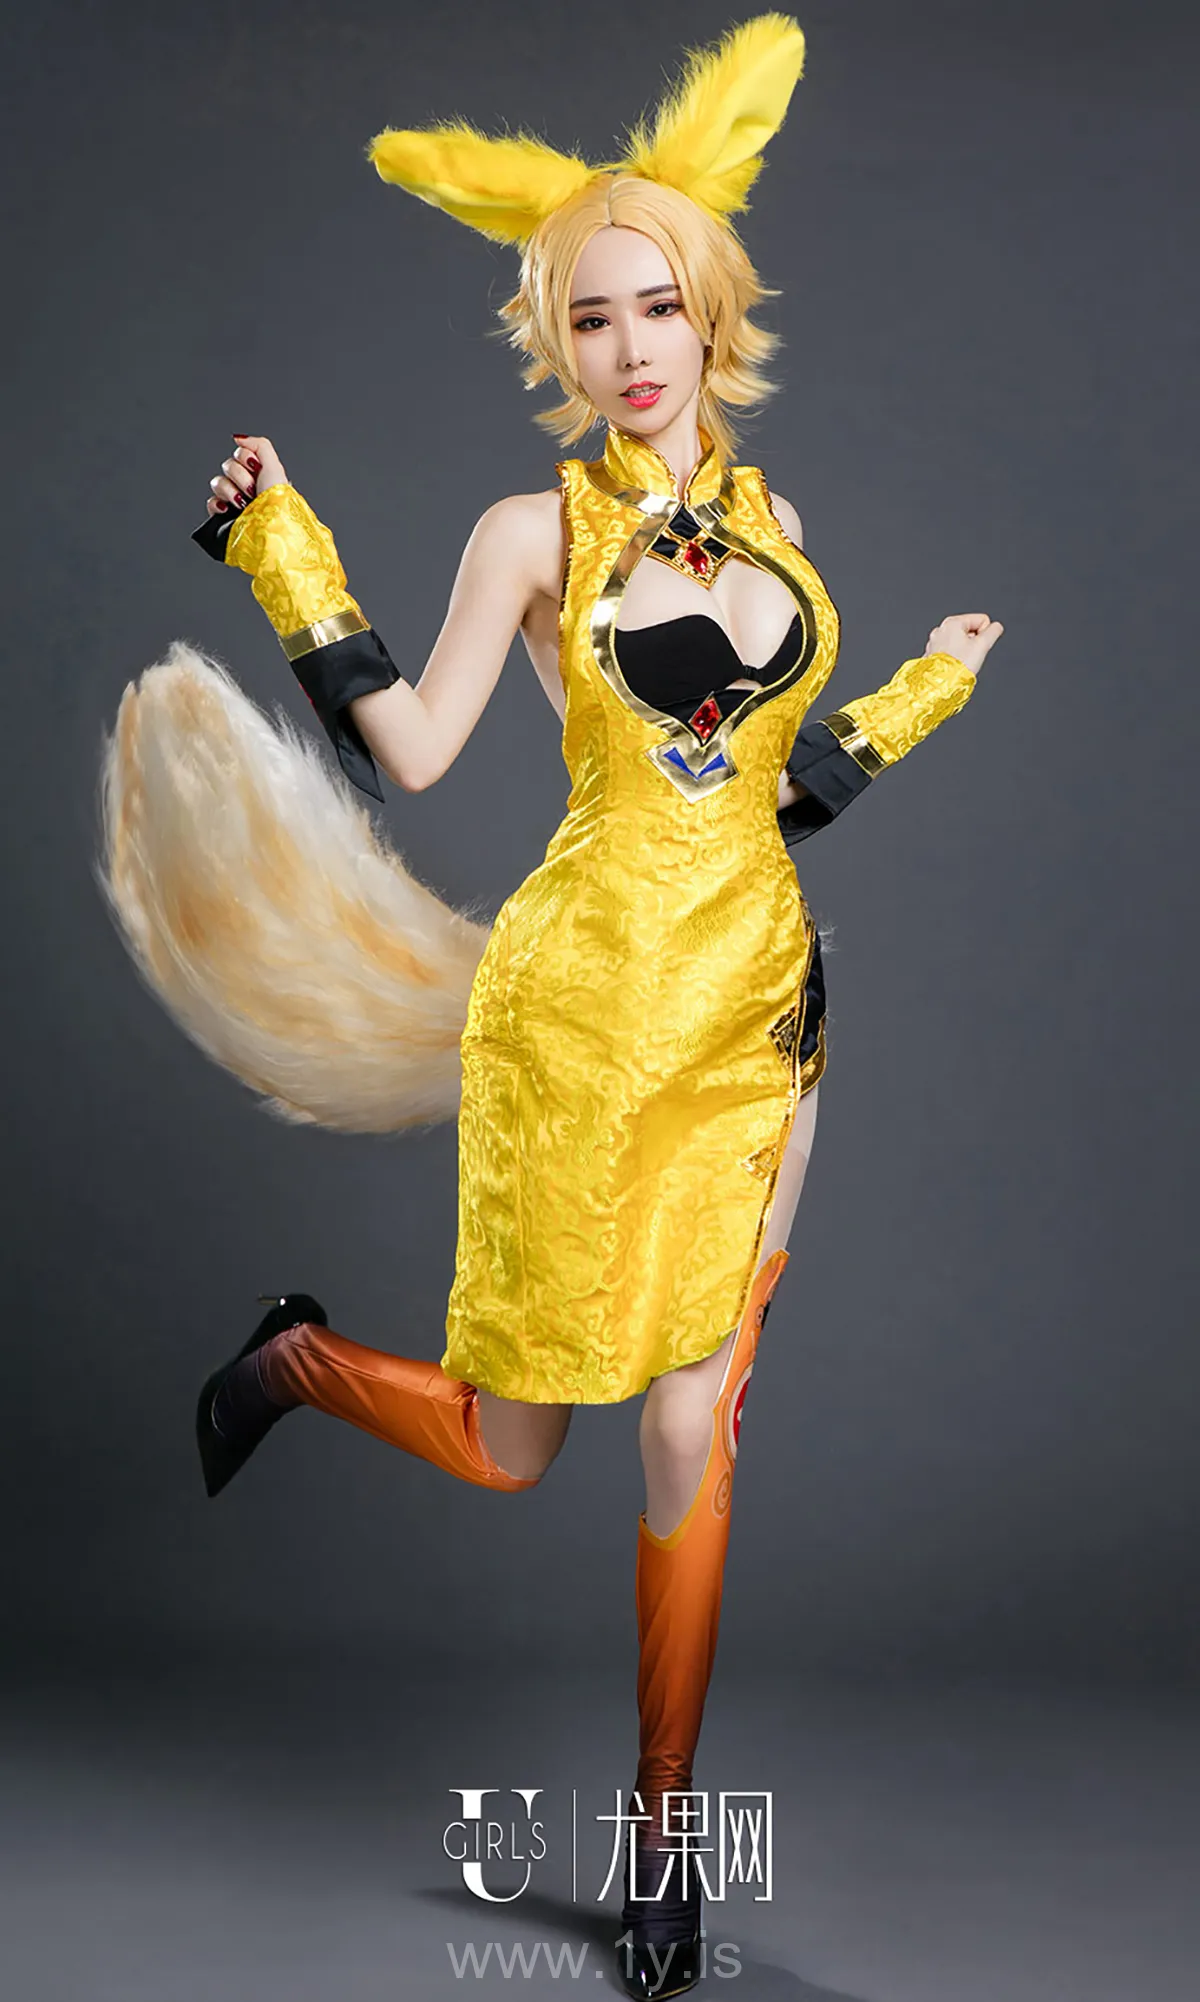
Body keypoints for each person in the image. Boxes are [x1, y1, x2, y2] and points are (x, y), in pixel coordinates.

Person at [99, 16, 1002, 1996]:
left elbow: (770, 790)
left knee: (694, 1426)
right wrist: (279, 543)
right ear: (556, 342)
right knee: (519, 1448)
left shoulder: (779, 530)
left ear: (714, 310)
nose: (631, 346)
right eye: (591, 317)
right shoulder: (535, 533)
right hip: (577, 1025)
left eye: (659, 303)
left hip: (759, 1019)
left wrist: (928, 685)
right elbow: (418, 749)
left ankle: (663, 1850)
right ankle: (300, 1361)